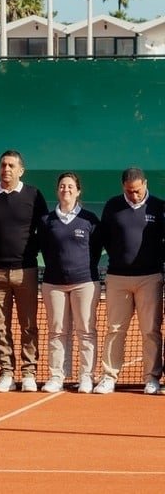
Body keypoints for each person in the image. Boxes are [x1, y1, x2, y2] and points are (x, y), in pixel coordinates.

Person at [0, 150, 48, 393]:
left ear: (21, 170)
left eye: (11, 166)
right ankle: (6, 373)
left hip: (25, 270)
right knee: (0, 326)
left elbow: (44, 228)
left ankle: (29, 372)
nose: (6, 169)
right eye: (3, 165)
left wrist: (30, 250)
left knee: (28, 324)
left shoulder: (33, 195)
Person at [94, 167, 164, 395]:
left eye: (137, 190)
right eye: (129, 191)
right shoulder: (113, 206)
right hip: (117, 278)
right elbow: (104, 238)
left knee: (150, 330)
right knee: (115, 329)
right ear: (123, 187)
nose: (133, 195)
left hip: (150, 277)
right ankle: (108, 377)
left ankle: (152, 378)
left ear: (145, 184)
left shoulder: (158, 206)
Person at [38, 173, 101, 393]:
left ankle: (86, 377)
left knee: (86, 330)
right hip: (53, 284)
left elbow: (95, 249)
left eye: (70, 186)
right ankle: (57, 376)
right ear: (57, 190)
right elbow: (44, 248)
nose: (66, 189)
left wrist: (81, 269)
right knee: (57, 331)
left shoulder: (89, 219)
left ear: (78, 191)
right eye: (62, 186)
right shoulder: (46, 221)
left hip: (85, 282)